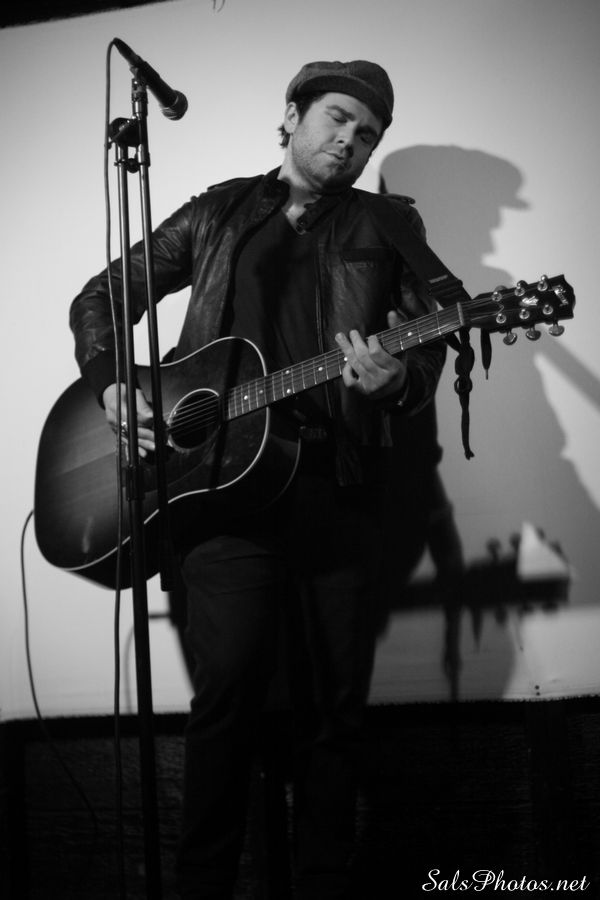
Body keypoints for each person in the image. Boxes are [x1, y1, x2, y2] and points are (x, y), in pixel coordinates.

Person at [70, 60, 447, 900]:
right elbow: (102, 296)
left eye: (368, 135)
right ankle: (203, 887)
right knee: (227, 698)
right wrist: (112, 382)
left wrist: (398, 381)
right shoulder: (217, 213)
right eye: (338, 118)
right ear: (293, 113)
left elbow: (428, 345)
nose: (349, 141)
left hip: (336, 488)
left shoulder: (389, 226)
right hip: (215, 493)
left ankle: (322, 883)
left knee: (332, 712)